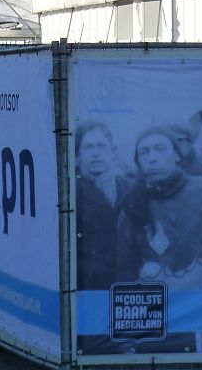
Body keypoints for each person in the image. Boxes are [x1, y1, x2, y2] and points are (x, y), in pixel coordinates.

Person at [117, 127, 202, 354]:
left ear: (177, 155)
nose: (152, 157)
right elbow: (125, 274)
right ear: (138, 162)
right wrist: (129, 339)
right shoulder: (132, 208)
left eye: (160, 149)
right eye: (144, 152)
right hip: (169, 326)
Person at [74, 121, 131, 291]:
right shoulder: (71, 190)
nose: (95, 153)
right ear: (78, 155)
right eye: (88, 147)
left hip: (125, 282)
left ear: (113, 151)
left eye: (102, 146)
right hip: (88, 283)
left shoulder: (127, 186)